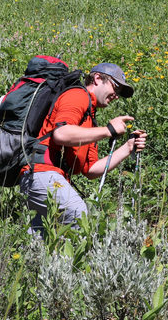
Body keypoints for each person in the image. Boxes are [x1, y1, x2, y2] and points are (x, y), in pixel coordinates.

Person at [20, 62, 147, 231]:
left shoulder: (89, 119)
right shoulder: (77, 95)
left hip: (47, 178)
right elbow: (61, 134)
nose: (116, 95)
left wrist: (127, 148)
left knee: (41, 240)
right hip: (43, 174)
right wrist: (108, 130)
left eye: (119, 93)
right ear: (97, 78)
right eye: (115, 87)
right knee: (80, 216)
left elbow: (91, 170)